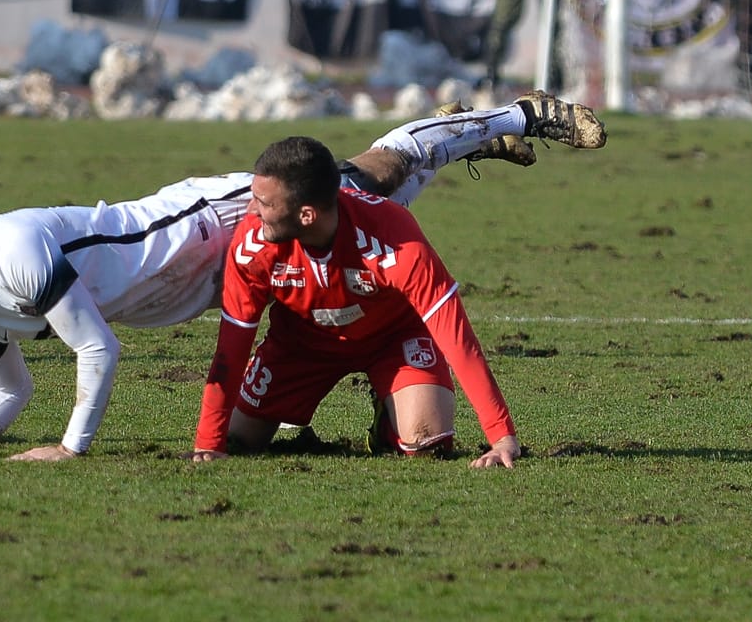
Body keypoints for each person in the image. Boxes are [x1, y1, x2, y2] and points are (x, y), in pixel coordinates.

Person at [0, 93, 606, 461]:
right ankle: (346, 392)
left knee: (374, 182)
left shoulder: (11, 248)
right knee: (335, 257)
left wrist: (73, 449)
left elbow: (96, 349)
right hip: (208, 288)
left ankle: (505, 116)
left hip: (205, 226)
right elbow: (11, 389)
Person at [186, 121, 594, 469]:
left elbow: (457, 339)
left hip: (392, 340)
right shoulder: (252, 244)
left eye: (262, 202)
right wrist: (209, 441)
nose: (250, 210)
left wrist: (501, 436)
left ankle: (389, 417)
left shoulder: (394, 238)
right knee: (241, 442)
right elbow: (232, 347)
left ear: (306, 215)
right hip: (299, 346)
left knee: (426, 441)